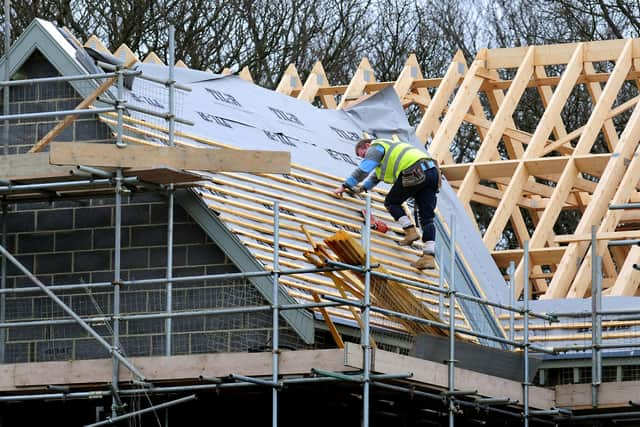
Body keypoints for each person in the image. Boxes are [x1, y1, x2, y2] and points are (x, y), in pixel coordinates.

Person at [333, 138, 440, 269]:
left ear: (367, 145)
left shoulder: (376, 146)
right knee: (427, 219)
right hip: (433, 171)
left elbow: (363, 170)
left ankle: (410, 231)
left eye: (363, 155)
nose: (364, 158)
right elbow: (375, 177)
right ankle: (429, 257)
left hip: (415, 170)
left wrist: (345, 185)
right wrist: (361, 188)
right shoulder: (389, 151)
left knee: (391, 202)